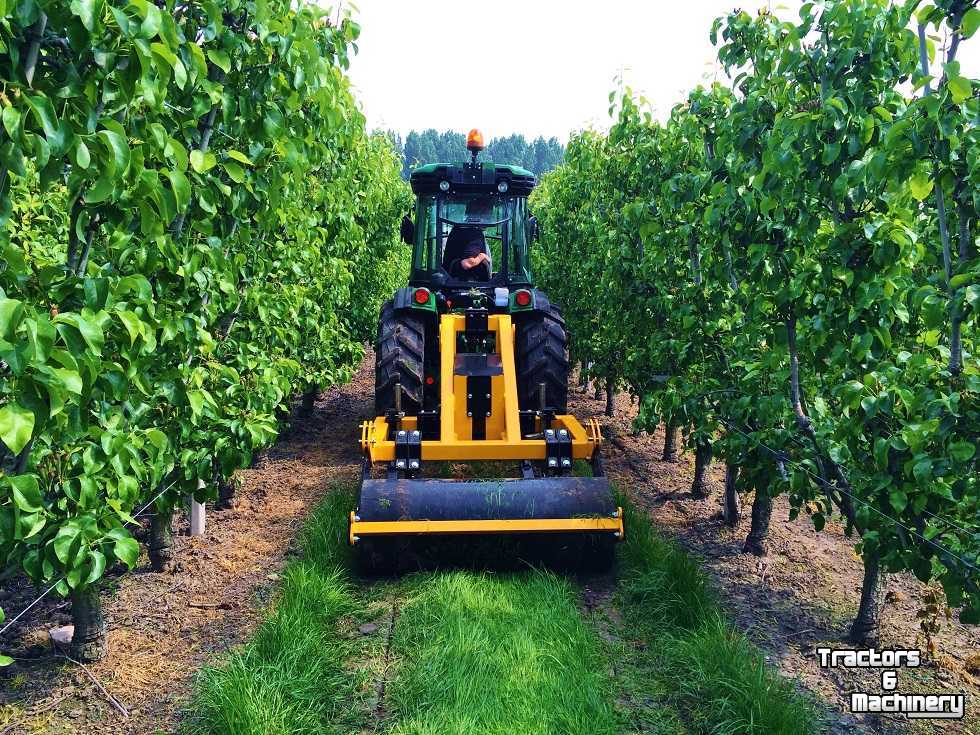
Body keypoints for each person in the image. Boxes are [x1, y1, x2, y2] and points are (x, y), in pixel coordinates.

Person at [443, 198, 493, 281]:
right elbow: (467, 263)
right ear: (480, 215)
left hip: (449, 280)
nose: (490, 219)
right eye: (488, 215)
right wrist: (481, 256)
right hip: (467, 284)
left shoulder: (457, 230)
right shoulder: (474, 234)